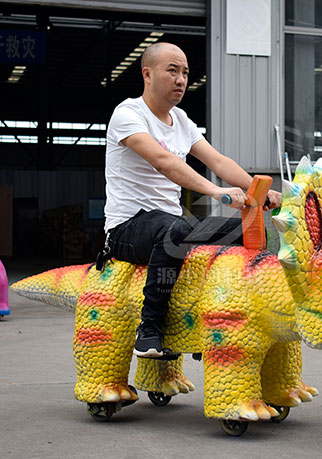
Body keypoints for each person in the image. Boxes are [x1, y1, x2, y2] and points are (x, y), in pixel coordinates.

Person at [102, 42, 281, 358]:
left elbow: (219, 162)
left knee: (246, 232)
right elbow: (163, 161)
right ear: (147, 73)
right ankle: (149, 331)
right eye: (172, 70)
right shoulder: (128, 114)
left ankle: (215, 320)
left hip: (172, 225)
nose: (181, 79)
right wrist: (215, 192)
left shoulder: (182, 120)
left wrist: (262, 192)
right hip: (127, 229)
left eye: (185, 72)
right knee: (174, 228)